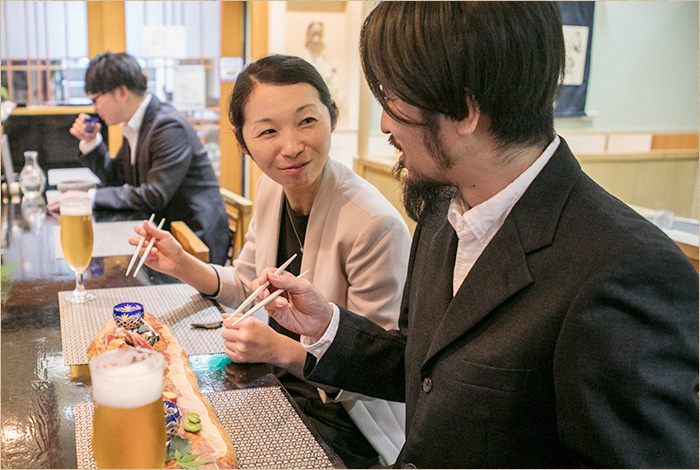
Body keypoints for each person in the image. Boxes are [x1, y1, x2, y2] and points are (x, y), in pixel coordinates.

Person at [254, 2, 699, 468]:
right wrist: (327, 325)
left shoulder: (625, 270)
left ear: (464, 109)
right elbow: (423, 365)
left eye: (393, 97)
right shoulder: (442, 208)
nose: (384, 122)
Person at [130, 54, 411, 468]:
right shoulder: (271, 189)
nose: (292, 146)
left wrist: (281, 350)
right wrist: (181, 264)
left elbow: (381, 372)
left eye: (307, 121)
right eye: (268, 131)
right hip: (276, 384)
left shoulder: (374, 225)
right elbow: (248, 287)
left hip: (348, 422)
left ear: (332, 118)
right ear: (242, 142)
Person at [48, 52, 229, 265]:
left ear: (121, 92)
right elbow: (116, 179)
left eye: (96, 99)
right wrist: (92, 142)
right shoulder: (137, 124)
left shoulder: (167, 127)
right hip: (163, 233)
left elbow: (154, 195)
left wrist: (88, 197)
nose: (94, 108)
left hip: (193, 239)